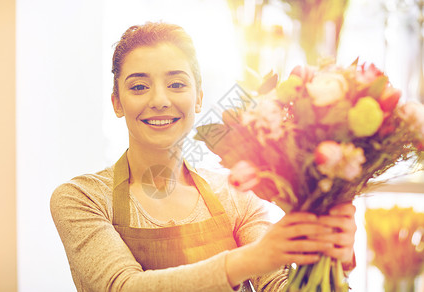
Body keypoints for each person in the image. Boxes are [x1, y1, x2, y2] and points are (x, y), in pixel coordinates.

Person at [50, 22, 357, 292]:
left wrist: (331, 260)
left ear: (198, 98)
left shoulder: (236, 195)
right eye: (139, 86)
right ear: (117, 102)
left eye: (176, 84)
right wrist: (250, 258)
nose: (159, 100)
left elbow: (279, 287)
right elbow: (123, 287)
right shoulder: (81, 199)